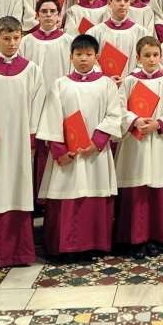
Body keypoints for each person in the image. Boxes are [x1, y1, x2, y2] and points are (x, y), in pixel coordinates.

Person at [0, 16, 57, 270]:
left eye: (16, 38)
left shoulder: (32, 70)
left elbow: (38, 105)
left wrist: (31, 136)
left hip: (18, 144)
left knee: (16, 189)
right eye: (6, 39)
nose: (12, 43)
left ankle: (16, 253)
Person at [39, 34, 122, 258]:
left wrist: (97, 142)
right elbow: (51, 118)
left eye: (88, 54)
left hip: (95, 153)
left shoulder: (106, 85)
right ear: (71, 56)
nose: (83, 59)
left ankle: (92, 245)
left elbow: (115, 115)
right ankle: (64, 247)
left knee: (93, 193)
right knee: (67, 194)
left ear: (97, 57)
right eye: (78, 54)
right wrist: (59, 151)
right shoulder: (60, 84)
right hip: (68, 154)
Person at [116, 36, 163, 257]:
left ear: (160, 56)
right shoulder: (129, 82)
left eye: (155, 55)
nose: (152, 60)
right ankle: (135, 239)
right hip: (136, 142)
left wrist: (158, 123)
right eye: (147, 55)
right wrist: (134, 120)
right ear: (138, 57)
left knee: (158, 188)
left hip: (158, 140)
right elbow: (118, 110)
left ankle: (158, 237)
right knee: (137, 189)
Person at [87, 0, 149, 81]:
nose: (122, 4)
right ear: (109, 2)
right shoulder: (94, 33)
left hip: (132, 84)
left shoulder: (142, 33)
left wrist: (128, 80)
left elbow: (144, 62)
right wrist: (105, 79)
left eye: (126, 0)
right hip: (103, 84)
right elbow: (91, 61)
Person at [20, 0, 71, 84]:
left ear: (58, 15)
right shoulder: (25, 42)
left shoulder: (69, 41)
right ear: (37, 16)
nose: (48, 14)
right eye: (44, 11)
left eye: (52, 11)